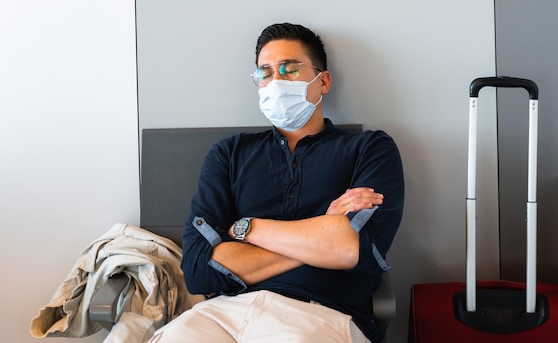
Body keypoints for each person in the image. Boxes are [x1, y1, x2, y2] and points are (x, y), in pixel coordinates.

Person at [148, 23, 404, 343]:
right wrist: (324, 229)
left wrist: (244, 228)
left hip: (319, 314)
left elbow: (350, 249)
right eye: (265, 73)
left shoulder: (370, 148)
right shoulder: (230, 153)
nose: (276, 81)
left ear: (322, 81)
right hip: (221, 314)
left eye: (290, 69)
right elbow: (199, 270)